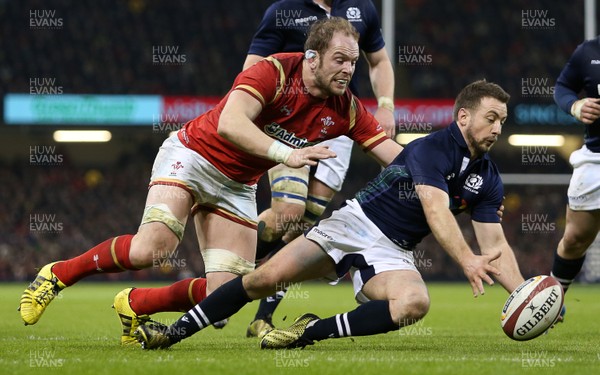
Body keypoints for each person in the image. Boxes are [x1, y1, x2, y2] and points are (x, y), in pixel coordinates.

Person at [18, 17, 401, 346]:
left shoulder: (345, 108)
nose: (349, 70)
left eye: (353, 62)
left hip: (237, 185)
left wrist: (448, 165)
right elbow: (229, 123)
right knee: (150, 250)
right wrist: (287, 155)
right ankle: (58, 274)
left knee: (224, 295)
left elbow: (394, 155)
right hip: (194, 157)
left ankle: (135, 304)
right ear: (312, 58)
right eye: (340, 60)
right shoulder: (274, 71)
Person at [135, 80, 527, 350]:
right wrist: (465, 260)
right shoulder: (432, 148)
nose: (497, 128)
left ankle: (309, 332)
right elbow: (435, 208)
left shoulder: (488, 178)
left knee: (412, 304)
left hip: (394, 251)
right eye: (490, 117)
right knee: (263, 278)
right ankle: (174, 332)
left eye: (502, 122)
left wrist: (525, 294)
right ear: (463, 117)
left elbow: (495, 245)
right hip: (353, 225)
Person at [243, 0, 396, 338]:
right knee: (287, 212)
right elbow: (252, 68)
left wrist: (385, 105)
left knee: (304, 226)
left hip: (336, 126)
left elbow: (379, 60)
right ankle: (226, 275)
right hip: (292, 120)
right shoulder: (284, 10)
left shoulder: (362, 8)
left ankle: (262, 316)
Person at [550, 36, 600, 295]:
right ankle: (552, 301)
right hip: (596, 159)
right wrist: (575, 105)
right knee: (574, 239)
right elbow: (562, 87)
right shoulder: (589, 51)